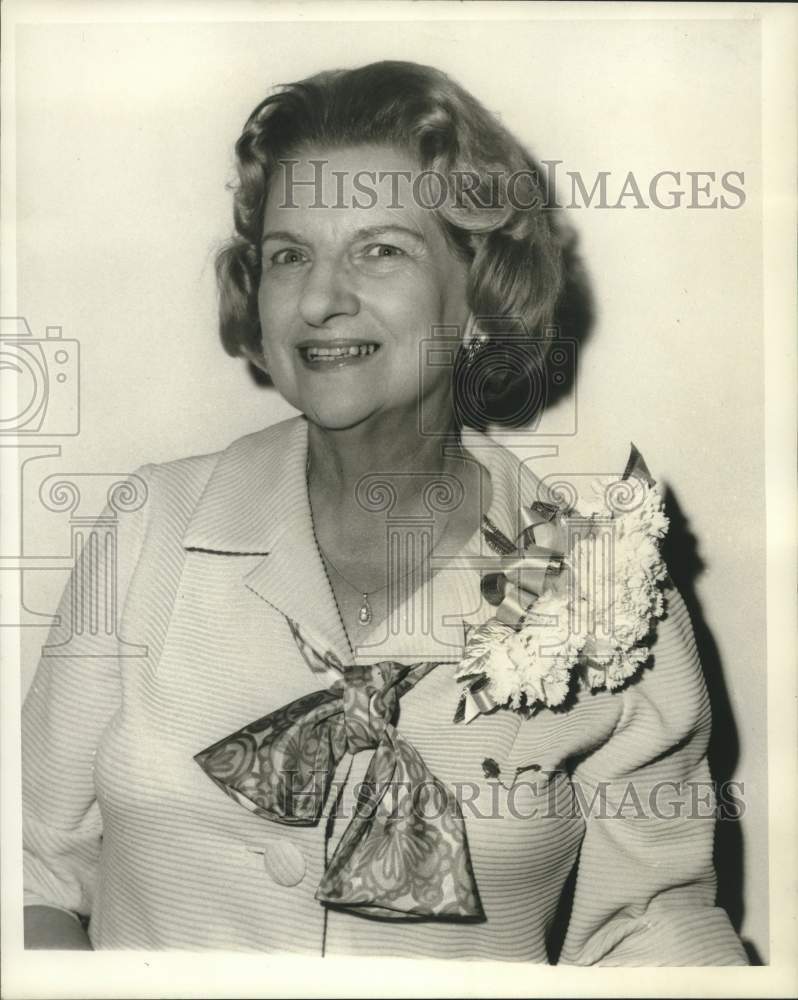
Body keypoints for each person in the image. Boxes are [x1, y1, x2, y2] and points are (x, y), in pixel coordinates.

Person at [22, 60, 748, 964]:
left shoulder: (608, 588)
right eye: (290, 255)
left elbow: (655, 933)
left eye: (382, 248)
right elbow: (33, 877)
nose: (320, 299)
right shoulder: (149, 527)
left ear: (477, 295)